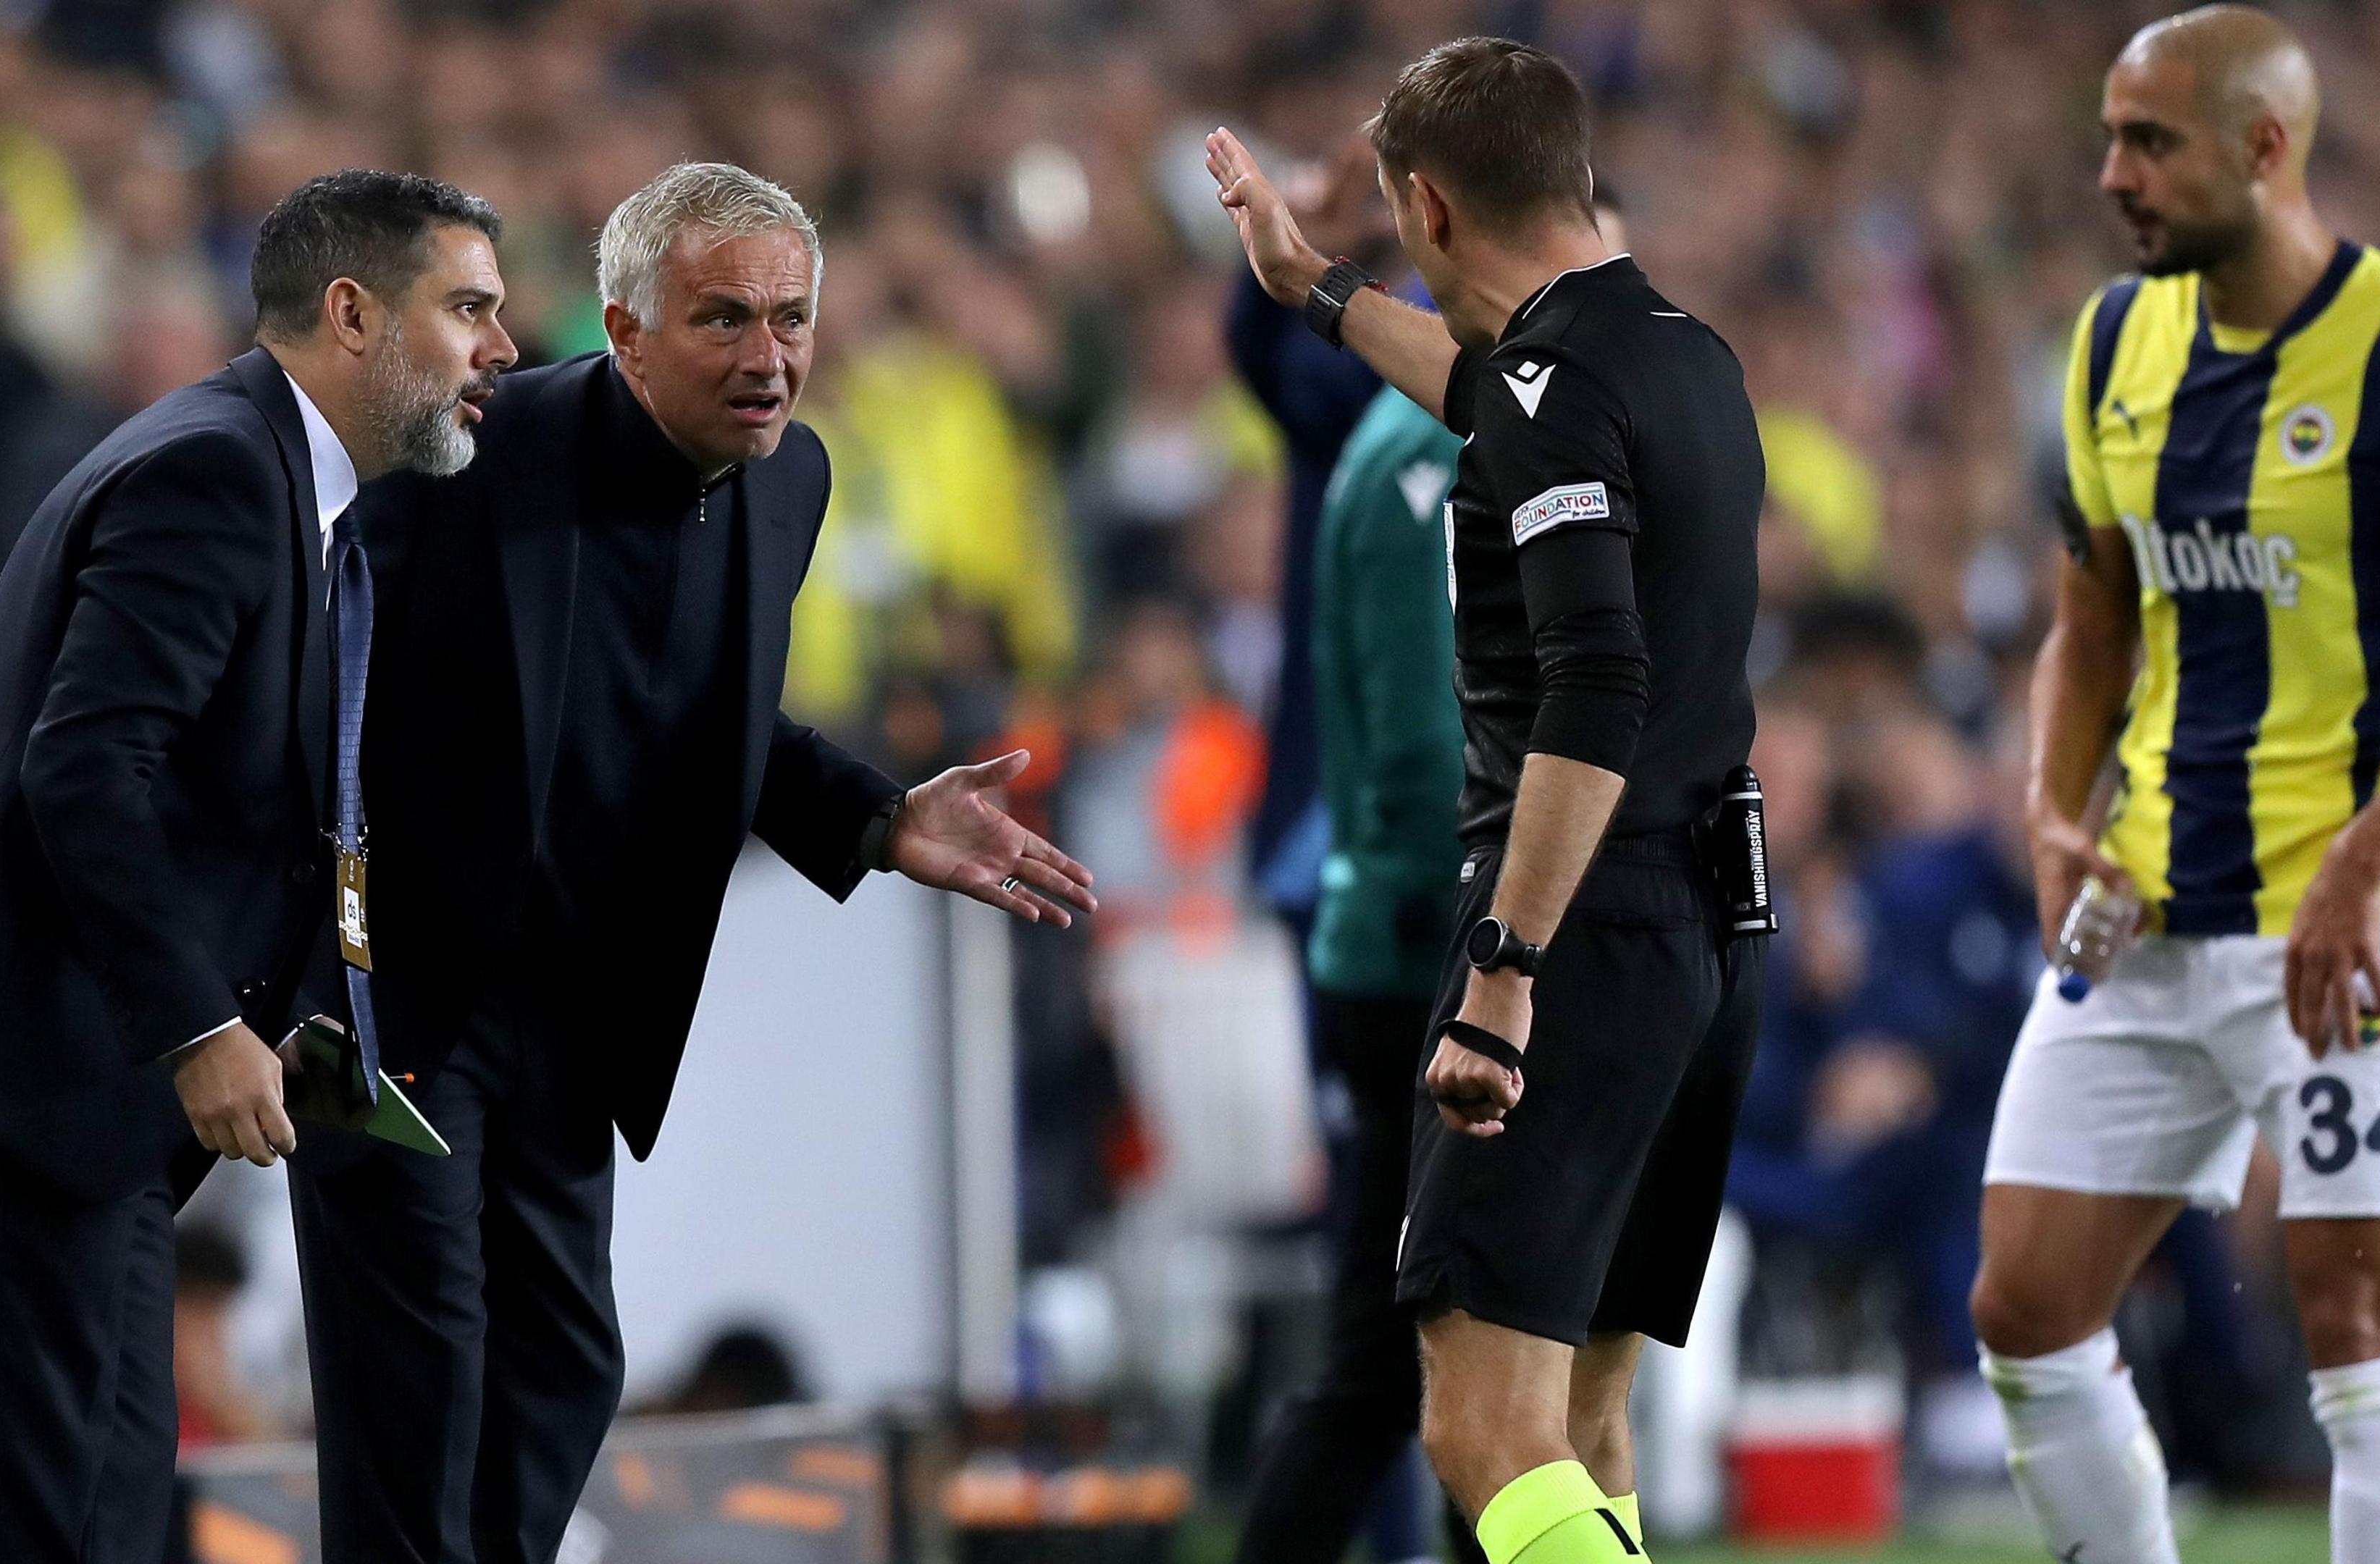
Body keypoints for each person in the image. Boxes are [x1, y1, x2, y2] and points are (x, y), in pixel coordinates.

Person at [323, 161, 1097, 1564]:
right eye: (725, 320)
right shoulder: (474, 445)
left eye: (792, 319)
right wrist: (314, 962)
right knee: (422, 1381)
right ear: (623, 332)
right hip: (412, 1001)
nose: (770, 358)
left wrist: (876, 818)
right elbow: (323, 673)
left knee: (561, 1367)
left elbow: (707, 713)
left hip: (570, 1012)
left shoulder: (787, 478)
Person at [0, 169, 516, 1563]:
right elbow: (87, 769)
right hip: (31, 1072)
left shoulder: (278, 480)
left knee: (106, 1511)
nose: (499, 346)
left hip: (75, 1089)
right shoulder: (213, 470)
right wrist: (200, 1025)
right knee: (60, 1521)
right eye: (470, 308)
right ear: (354, 312)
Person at [1211, 36, 1765, 1564]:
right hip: (1714, 922)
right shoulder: (1678, 352)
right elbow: (1481, 392)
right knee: (1584, 1415)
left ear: (1434, 209)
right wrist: (1314, 284)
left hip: (1580, 930)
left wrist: (1505, 972)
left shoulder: (1554, 397)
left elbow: (1596, 692)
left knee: (1473, 1421)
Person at [1969, 8, 2380, 1562]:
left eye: (2150, 141)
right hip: (2151, 911)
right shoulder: (2111, 343)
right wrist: (2051, 809)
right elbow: (2090, 617)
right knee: (2024, 1313)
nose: (2113, 173)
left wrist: (2364, 866)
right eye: (2109, 136)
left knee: (2361, 1316)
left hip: (2359, 929)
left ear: (2265, 147)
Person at [1232, 367, 1475, 1564]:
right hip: (1438, 951)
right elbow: (1432, 748)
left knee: (1391, 1369)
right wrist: (1493, 932)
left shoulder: (1406, 442)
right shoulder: (1429, 452)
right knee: (1490, 1360)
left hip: (1400, 943)